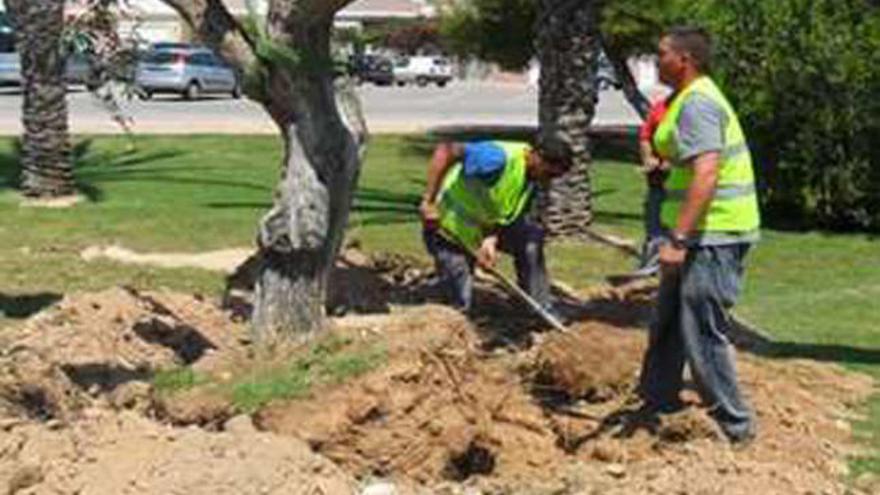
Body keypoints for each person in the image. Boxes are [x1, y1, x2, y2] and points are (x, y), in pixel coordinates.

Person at [637, 26, 761, 444]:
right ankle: (656, 401)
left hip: (715, 234)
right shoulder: (683, 100)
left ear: (684, 60)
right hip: (701, 232)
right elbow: (693, 165)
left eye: (661, 54)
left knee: (701, 329)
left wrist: (678, 240)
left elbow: (708, 173)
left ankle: (734, 424)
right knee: (669, 320)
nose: (656, 61)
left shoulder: (699, 103)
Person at [419, 138, 572, 316]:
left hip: (480, 228)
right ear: (537, 157)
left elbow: (501, 211)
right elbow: (446, 150)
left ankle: (539, 310)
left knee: (530, 238)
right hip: (447, 229)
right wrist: (428, 202)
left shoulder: (530, 177)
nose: (549, 181)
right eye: (549, 174)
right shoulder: (495, 158)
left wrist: (489, 240)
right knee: (460, 304)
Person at [631, 95, 672, 278]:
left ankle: (668, 269)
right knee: (654, 226)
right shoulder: (660, 107)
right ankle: (650, 268)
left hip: (680, 184)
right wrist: (648, 158)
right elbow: (645, 137)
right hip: (658, 181)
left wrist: (672, 162)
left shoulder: (691, 110)